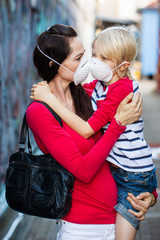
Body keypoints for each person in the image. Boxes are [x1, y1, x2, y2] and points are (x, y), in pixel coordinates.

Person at [29, 24, 157, 240]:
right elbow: (83, 170)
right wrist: (118, 123)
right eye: (79, 58)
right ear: (54, 64)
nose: (88, 64)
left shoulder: (88, 96)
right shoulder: (40, 112)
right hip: (83, 228)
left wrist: (149, 194)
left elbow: (124, 149)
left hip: (117, 216)